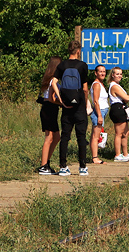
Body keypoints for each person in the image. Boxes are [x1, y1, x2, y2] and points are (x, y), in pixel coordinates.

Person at [49, 41, 91, 176]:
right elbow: (85, 88)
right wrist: (84, 102)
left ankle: (63, 166)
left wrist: (61, 99)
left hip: (66, 106)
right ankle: (82, 167)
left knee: (65, 136)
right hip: (79, 106)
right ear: (78, 51)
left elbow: (54, 82)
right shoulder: (82, 65)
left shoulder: (62, 65)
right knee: (81, 137)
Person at [35, 56, 63, 175]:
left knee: (56, 137)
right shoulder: (52, 81)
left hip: (51, 109)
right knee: (49, 137)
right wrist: (62, 103)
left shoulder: (51, 80)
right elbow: (51, 99)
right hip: (49, 109)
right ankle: (43, 165)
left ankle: (46, 162)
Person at [106, 67, 129, 161]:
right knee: (119, 133)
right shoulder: (114, 86)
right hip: (117, 108)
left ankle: (125, 154)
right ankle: (118, 154)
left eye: (121, 74)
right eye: (117, 74)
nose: (119, 76)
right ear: (112, 75)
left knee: (125, 132)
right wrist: (127, 97)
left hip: (122, 108)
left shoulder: (118, 85)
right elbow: (127, 98)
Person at [89, 64, 109, 165]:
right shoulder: (96, 84)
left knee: (95, 134)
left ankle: (94, 156)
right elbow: (96, 101)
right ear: (96, 73)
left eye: (104, 71)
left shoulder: (101, 84)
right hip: (98, 111)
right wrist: (99, 115)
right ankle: (95, 157)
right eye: (100, 71)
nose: (102, 73)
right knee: (96, 136)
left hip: (102, 111)